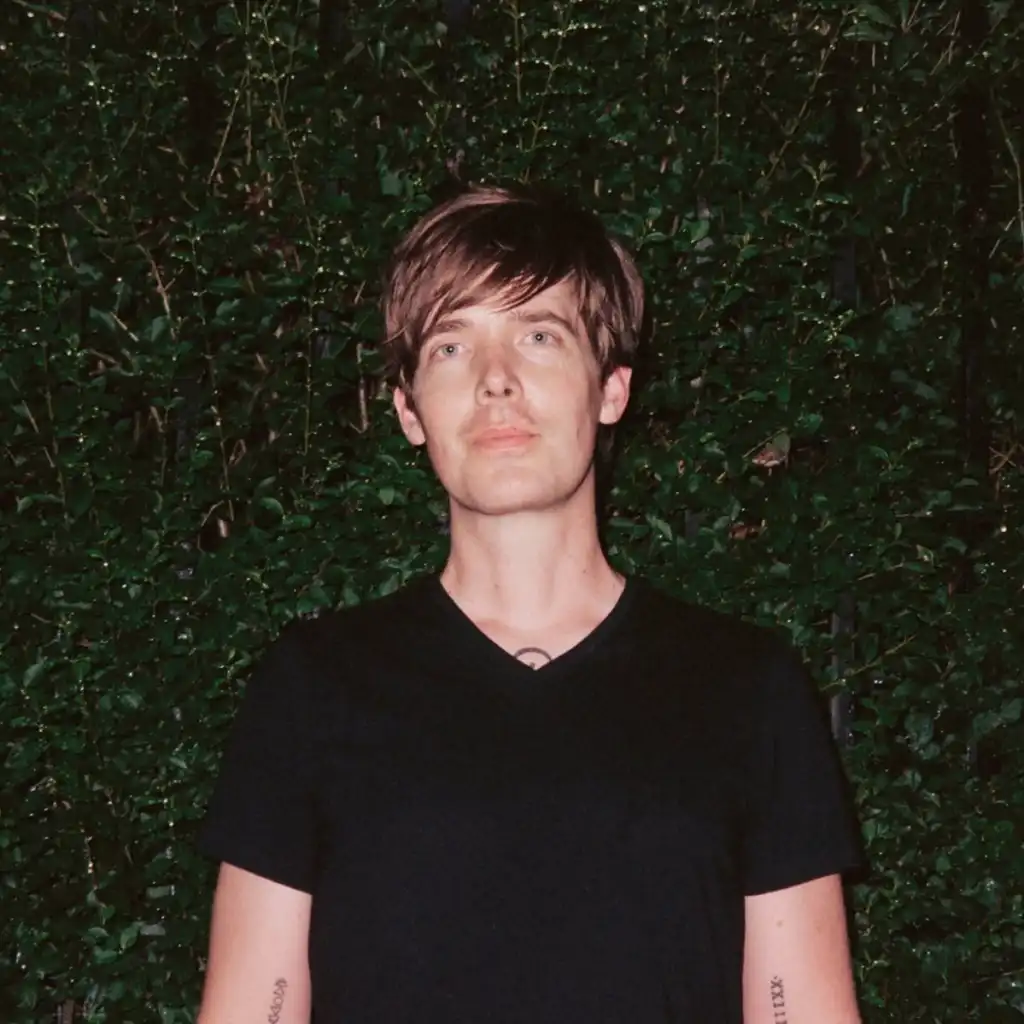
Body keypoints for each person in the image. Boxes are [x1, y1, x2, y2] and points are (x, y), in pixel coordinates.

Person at [196, 183, 865, 1023]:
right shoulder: (313, 687)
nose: (496, 382)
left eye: (539, 336)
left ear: (611, 388)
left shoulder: (746, 688)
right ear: (408, 410)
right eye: (451, 346)